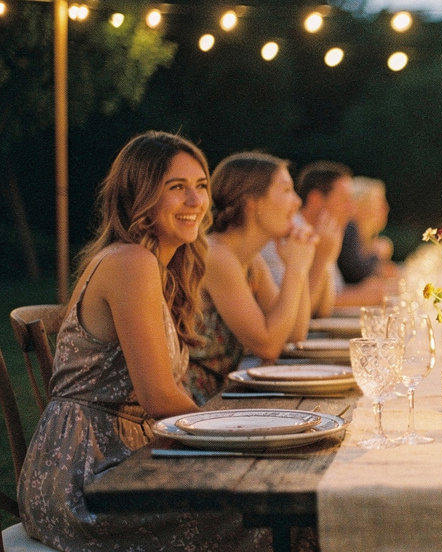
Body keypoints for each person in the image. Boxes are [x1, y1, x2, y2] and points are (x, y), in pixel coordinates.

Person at [17, 131, 269, 550]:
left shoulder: (159, 268)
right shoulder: (131, 262)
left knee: (266, 502)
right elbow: (159, 399)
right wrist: (242, 435)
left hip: (131, 461)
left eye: (201, 186)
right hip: (85, 480)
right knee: (268, 518)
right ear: (140, 197)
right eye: (176, 188)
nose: (195, 200)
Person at [184, 151, 318, 405]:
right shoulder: (216, 255)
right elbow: (267, 346)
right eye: (287, 190)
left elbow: (294, 335)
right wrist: (296, 271)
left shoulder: (250, 261)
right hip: (191, 410)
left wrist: (297, 267)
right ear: (252, 201)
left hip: (221, 400)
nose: (297, 202)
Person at [261, 161, 388, 312]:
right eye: (344, 200)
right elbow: (296, 310)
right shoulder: (283, 236)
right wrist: (363, 295)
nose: (352, 209)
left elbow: (324, 304)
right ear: (316, 200)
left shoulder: (321, 235)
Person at [338, 176, 398, 284]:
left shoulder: (361, 233)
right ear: (360, 205)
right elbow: (357, 274)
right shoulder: (349, 230)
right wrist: (377, 254)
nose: (386, 208)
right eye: (379, 202)